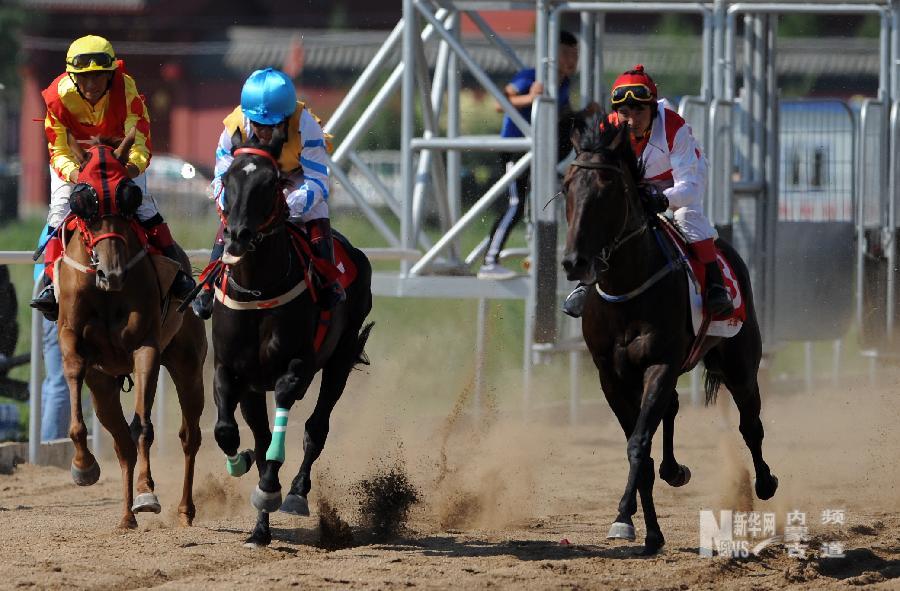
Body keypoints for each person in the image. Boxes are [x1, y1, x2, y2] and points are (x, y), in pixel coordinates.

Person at [30, 35, 195, 320]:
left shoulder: (127, 88)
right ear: (72, 76)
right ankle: (48, 284)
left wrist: (127, 170)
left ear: (111, 75)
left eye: (99, 77)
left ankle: (178, 275)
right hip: (76, 162)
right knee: (59, 209)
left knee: (142, 204)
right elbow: (58, 149)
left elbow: (140, 139)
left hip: (119, 160)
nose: (92, 85)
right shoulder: (56, 97)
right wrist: (80, 176)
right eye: (84, 78)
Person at [562, 65, 734, 318]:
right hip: (636, 183)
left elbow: (691, 187)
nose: (631, 119)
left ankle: (716, 286)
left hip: (678, 182)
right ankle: (585, 282)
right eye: (623, 112)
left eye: (639, 110)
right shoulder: (608, 129)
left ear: (653, 109)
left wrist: (663, 198)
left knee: (686, 216)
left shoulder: (675, 128)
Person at [191, 67, 344, 319]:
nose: (263, 131)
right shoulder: (235, 125)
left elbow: (317, 180)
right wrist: (227, 203)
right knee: (235, 214)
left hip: (297, 176)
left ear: (286, 117)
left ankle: (327, 281)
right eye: (259, 124)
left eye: (272, 125)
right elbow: (221, 176)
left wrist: (289, 205)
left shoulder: (307, 125)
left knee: (317, 209)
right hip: (252, 178)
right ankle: (208, 286)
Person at [477, 30, 581, 280]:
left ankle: (543, 254)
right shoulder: (531, 76)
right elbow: (499, 102)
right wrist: (530, 97)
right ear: (551, 56)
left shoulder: (564, 84)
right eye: (566, 54)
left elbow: (562, 115)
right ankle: (489, 261)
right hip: (516, 148)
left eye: (575, 55)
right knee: (516, 204)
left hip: (538, 151)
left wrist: (585, 114)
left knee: (543, 200)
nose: (571, 61)